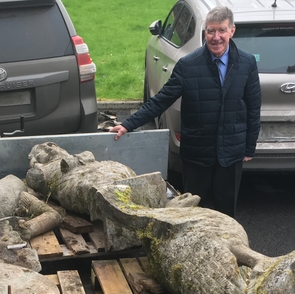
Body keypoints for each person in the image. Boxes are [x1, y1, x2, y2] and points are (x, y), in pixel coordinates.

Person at [111, 6, 261, 217]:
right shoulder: (188, 65)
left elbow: (253, 107)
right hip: (197, 155)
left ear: (232, 31)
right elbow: (161, 100)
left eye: (221, 31)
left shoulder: (247, 63)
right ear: (204, 32)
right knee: (191, 214)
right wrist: (128, 124)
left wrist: (249, 147)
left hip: (231, 154)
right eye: (210, 31)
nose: (216, 37)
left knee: (226, 215)